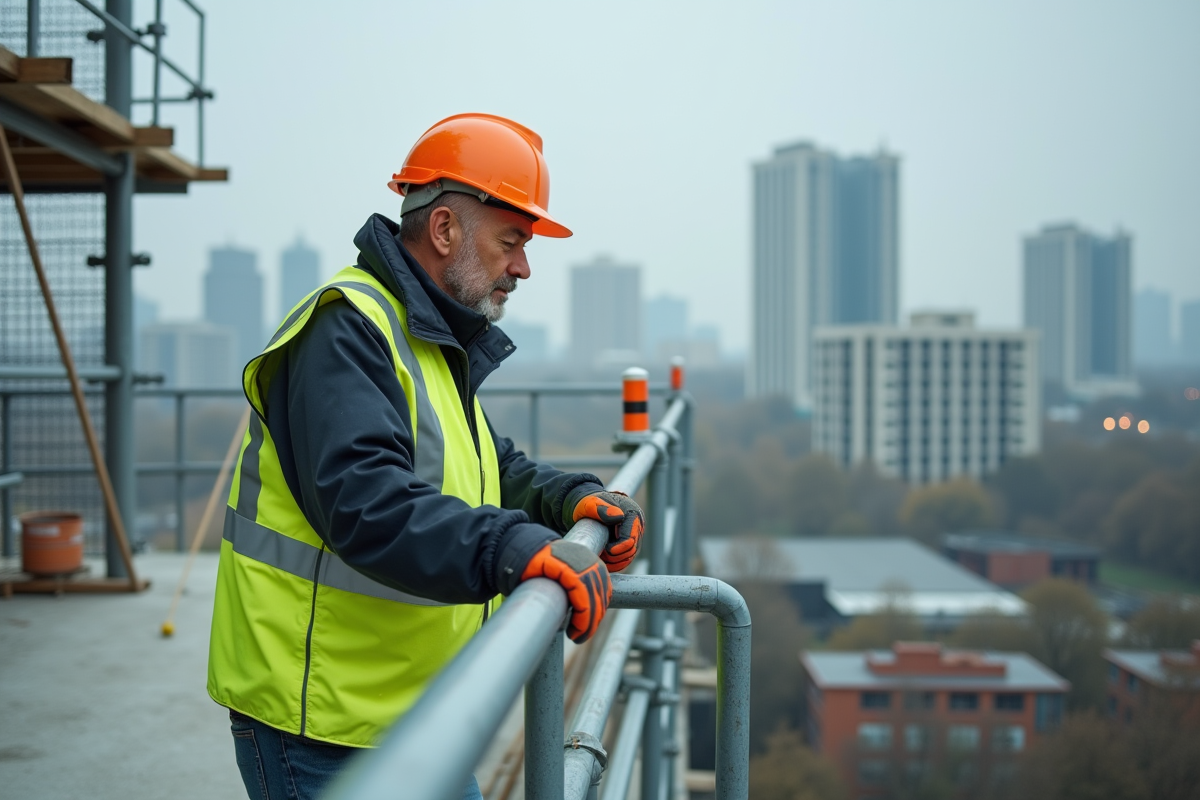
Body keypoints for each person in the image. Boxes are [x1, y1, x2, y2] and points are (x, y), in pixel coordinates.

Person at [206, 113, 645, 800]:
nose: (524, 267)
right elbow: (368, 504)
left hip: (410, 713)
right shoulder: (346, 329)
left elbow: (480, 463)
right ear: (443, 230)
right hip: (321, 726)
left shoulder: (423, 336)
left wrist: (565, 501)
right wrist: (511, 545)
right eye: (511, 242)